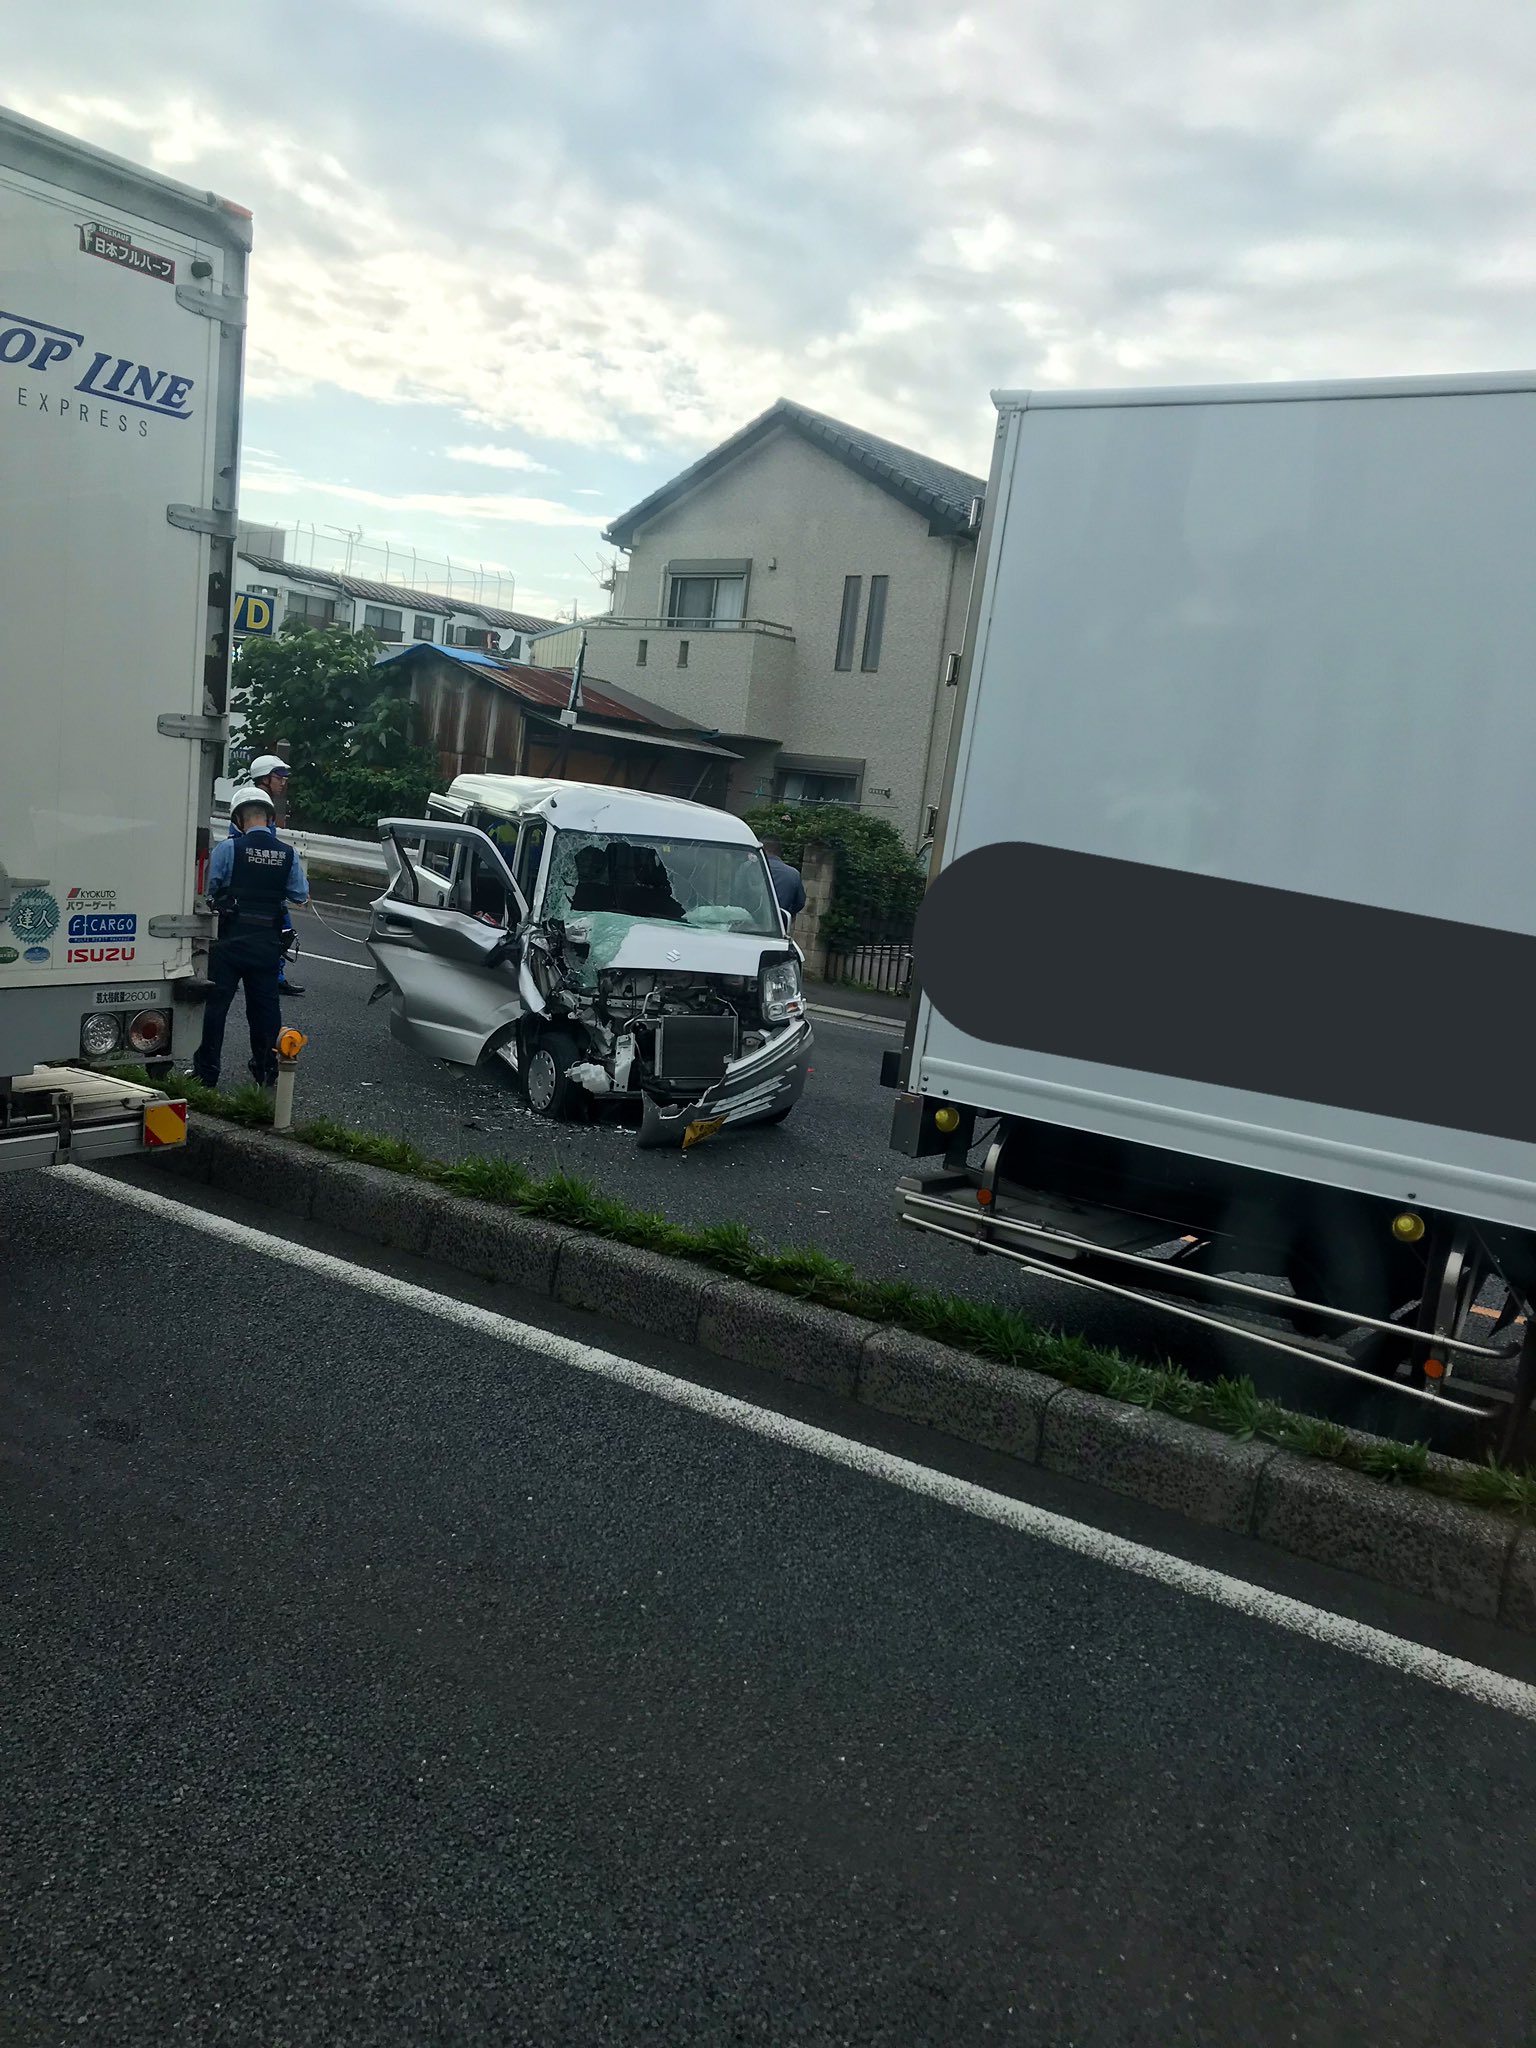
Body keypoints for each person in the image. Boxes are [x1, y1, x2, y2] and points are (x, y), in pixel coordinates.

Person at [193, 784, 310, 1090]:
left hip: (229, 941)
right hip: (266, 945)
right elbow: (299, 894)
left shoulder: (229, 849)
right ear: (270, 819)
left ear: (238, 820)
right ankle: (266, 1070)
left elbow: (210, 889)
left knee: (216, 1008)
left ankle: (207, 1073)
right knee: (265, 1011)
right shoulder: (288, 854)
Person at [232, 753, 304, 995]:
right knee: (275, 929)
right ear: (265, 777)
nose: (283, 781)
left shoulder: (263, 804)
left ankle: (275, 975)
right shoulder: (250, 805)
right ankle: (270, 976)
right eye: (279, 776)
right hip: (253, 882)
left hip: (263, 879)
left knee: (280, 929)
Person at [760, 835, 806, 922]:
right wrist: (785, 914)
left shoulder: (748, 868)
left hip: (746, 923)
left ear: (761, 849)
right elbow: (800, 903)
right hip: (779, 925)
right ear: (779, 851)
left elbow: (735, 894)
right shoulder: (793, 874)